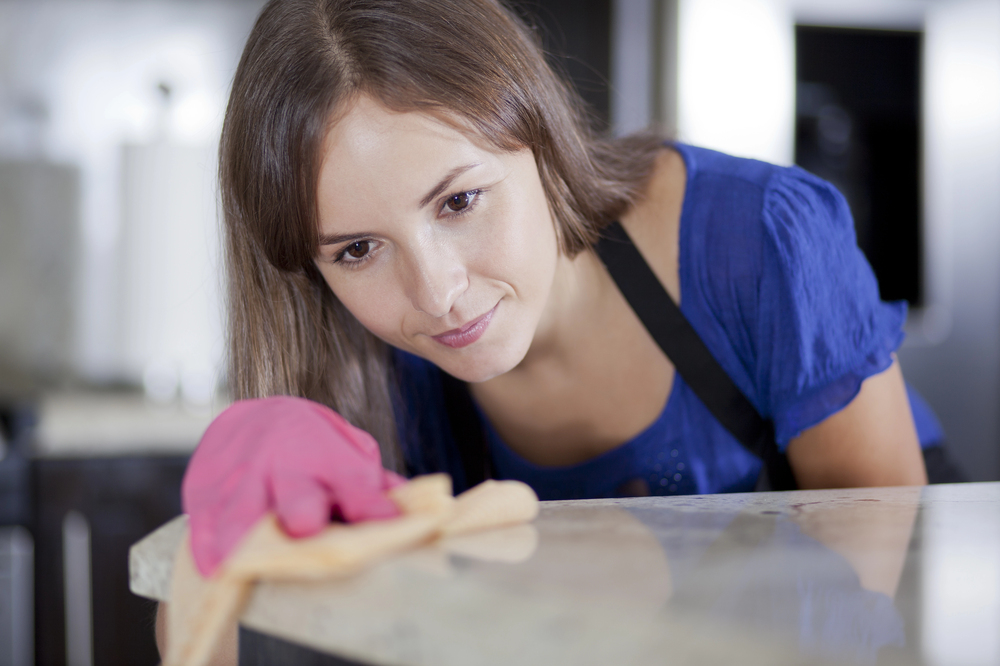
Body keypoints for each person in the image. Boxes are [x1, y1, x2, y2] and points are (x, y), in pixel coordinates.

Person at [184, 0, 947, 597]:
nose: (439, 293)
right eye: (356, 250)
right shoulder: (361, 363)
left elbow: (884, 597)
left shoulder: (757, 240)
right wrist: (229, 555)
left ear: (541, 138)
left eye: (460, 202)